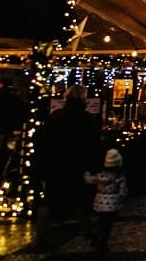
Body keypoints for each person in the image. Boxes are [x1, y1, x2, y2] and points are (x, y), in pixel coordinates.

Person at [36, 85, 101, 250]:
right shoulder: (86, 118)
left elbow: (43, 139)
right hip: (76, 163)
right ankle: (89, 233)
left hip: (55, 163)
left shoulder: (55, 116)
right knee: (82, 199)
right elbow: (91, 143)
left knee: (49, 199)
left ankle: (41, 235)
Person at [84, 148, 128, 254]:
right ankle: (103, 242)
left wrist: (86, 174)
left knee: (100, 222)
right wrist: (122, 198)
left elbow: (89, 180)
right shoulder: (119, 177)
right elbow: (123, 191)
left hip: (99, 203)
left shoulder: (100, 176)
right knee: (107, 225)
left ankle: (96, 239)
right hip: (113, 204)